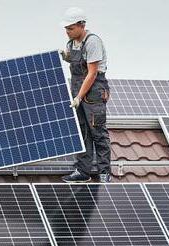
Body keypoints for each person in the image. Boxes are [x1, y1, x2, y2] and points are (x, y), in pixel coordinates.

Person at [60, 7, 111, 183]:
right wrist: (66, 57)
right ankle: (83, 171)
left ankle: (104, 171)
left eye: (71, 28)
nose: (67, 31)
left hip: (93, 93)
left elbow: (92, 73)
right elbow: (75, 64)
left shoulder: (92, 42)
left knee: (97, 132)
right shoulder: (70, 43)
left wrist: (79, 97)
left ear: (82, 25)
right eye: (66, 28)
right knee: (81, 133)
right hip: (77, 91)